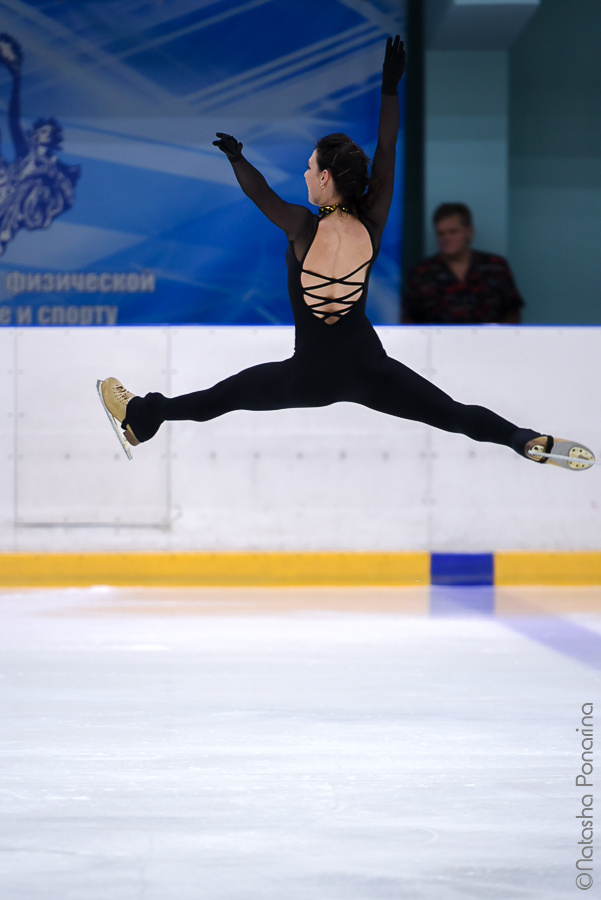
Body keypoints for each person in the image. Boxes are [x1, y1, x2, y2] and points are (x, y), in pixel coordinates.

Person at [98, 36, 594, 472]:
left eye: (309, 167)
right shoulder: (372, 222)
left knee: (219, 399)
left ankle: (143, 416)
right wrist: (390, 88)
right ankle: (522, 439)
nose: (305, 173)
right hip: (370, 371)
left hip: (308, 378)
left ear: (325, 177)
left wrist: (236, 157)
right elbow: (387, 148)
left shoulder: (301, 226)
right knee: (452, 414)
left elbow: (259, 193)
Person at [402, 203, 524, 324]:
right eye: (441, 234)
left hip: (492, 336)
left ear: (469, 232)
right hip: (438, 336)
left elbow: (512, 312)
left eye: (453, 232)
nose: (446, 238)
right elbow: (408, 320)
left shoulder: (495, 267)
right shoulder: (421, 273)